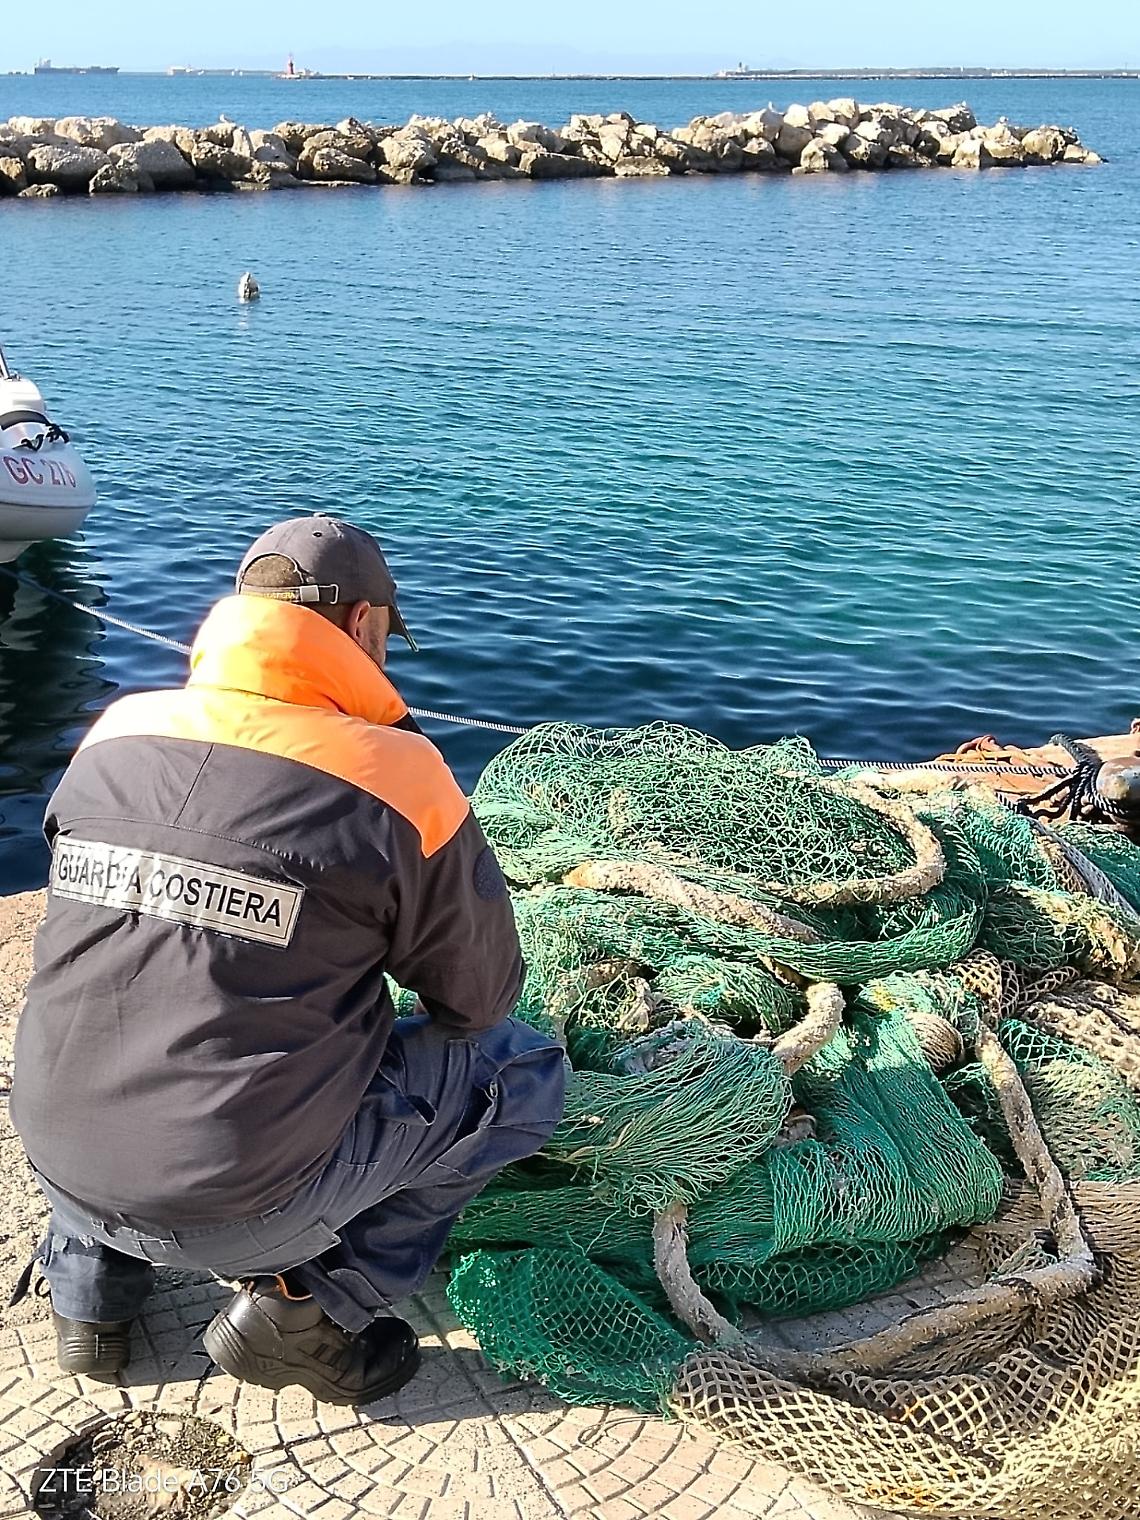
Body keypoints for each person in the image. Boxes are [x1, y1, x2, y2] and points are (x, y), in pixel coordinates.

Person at [9, 514, 566, 1405]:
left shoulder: (115, 730)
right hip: (240, 1205)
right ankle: (310, 1311)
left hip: (55, 1152)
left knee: (118, 1002)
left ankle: (89, 1301)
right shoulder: (398, 776)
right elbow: (480, 1001)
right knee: (519, 1067)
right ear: (363, 625)